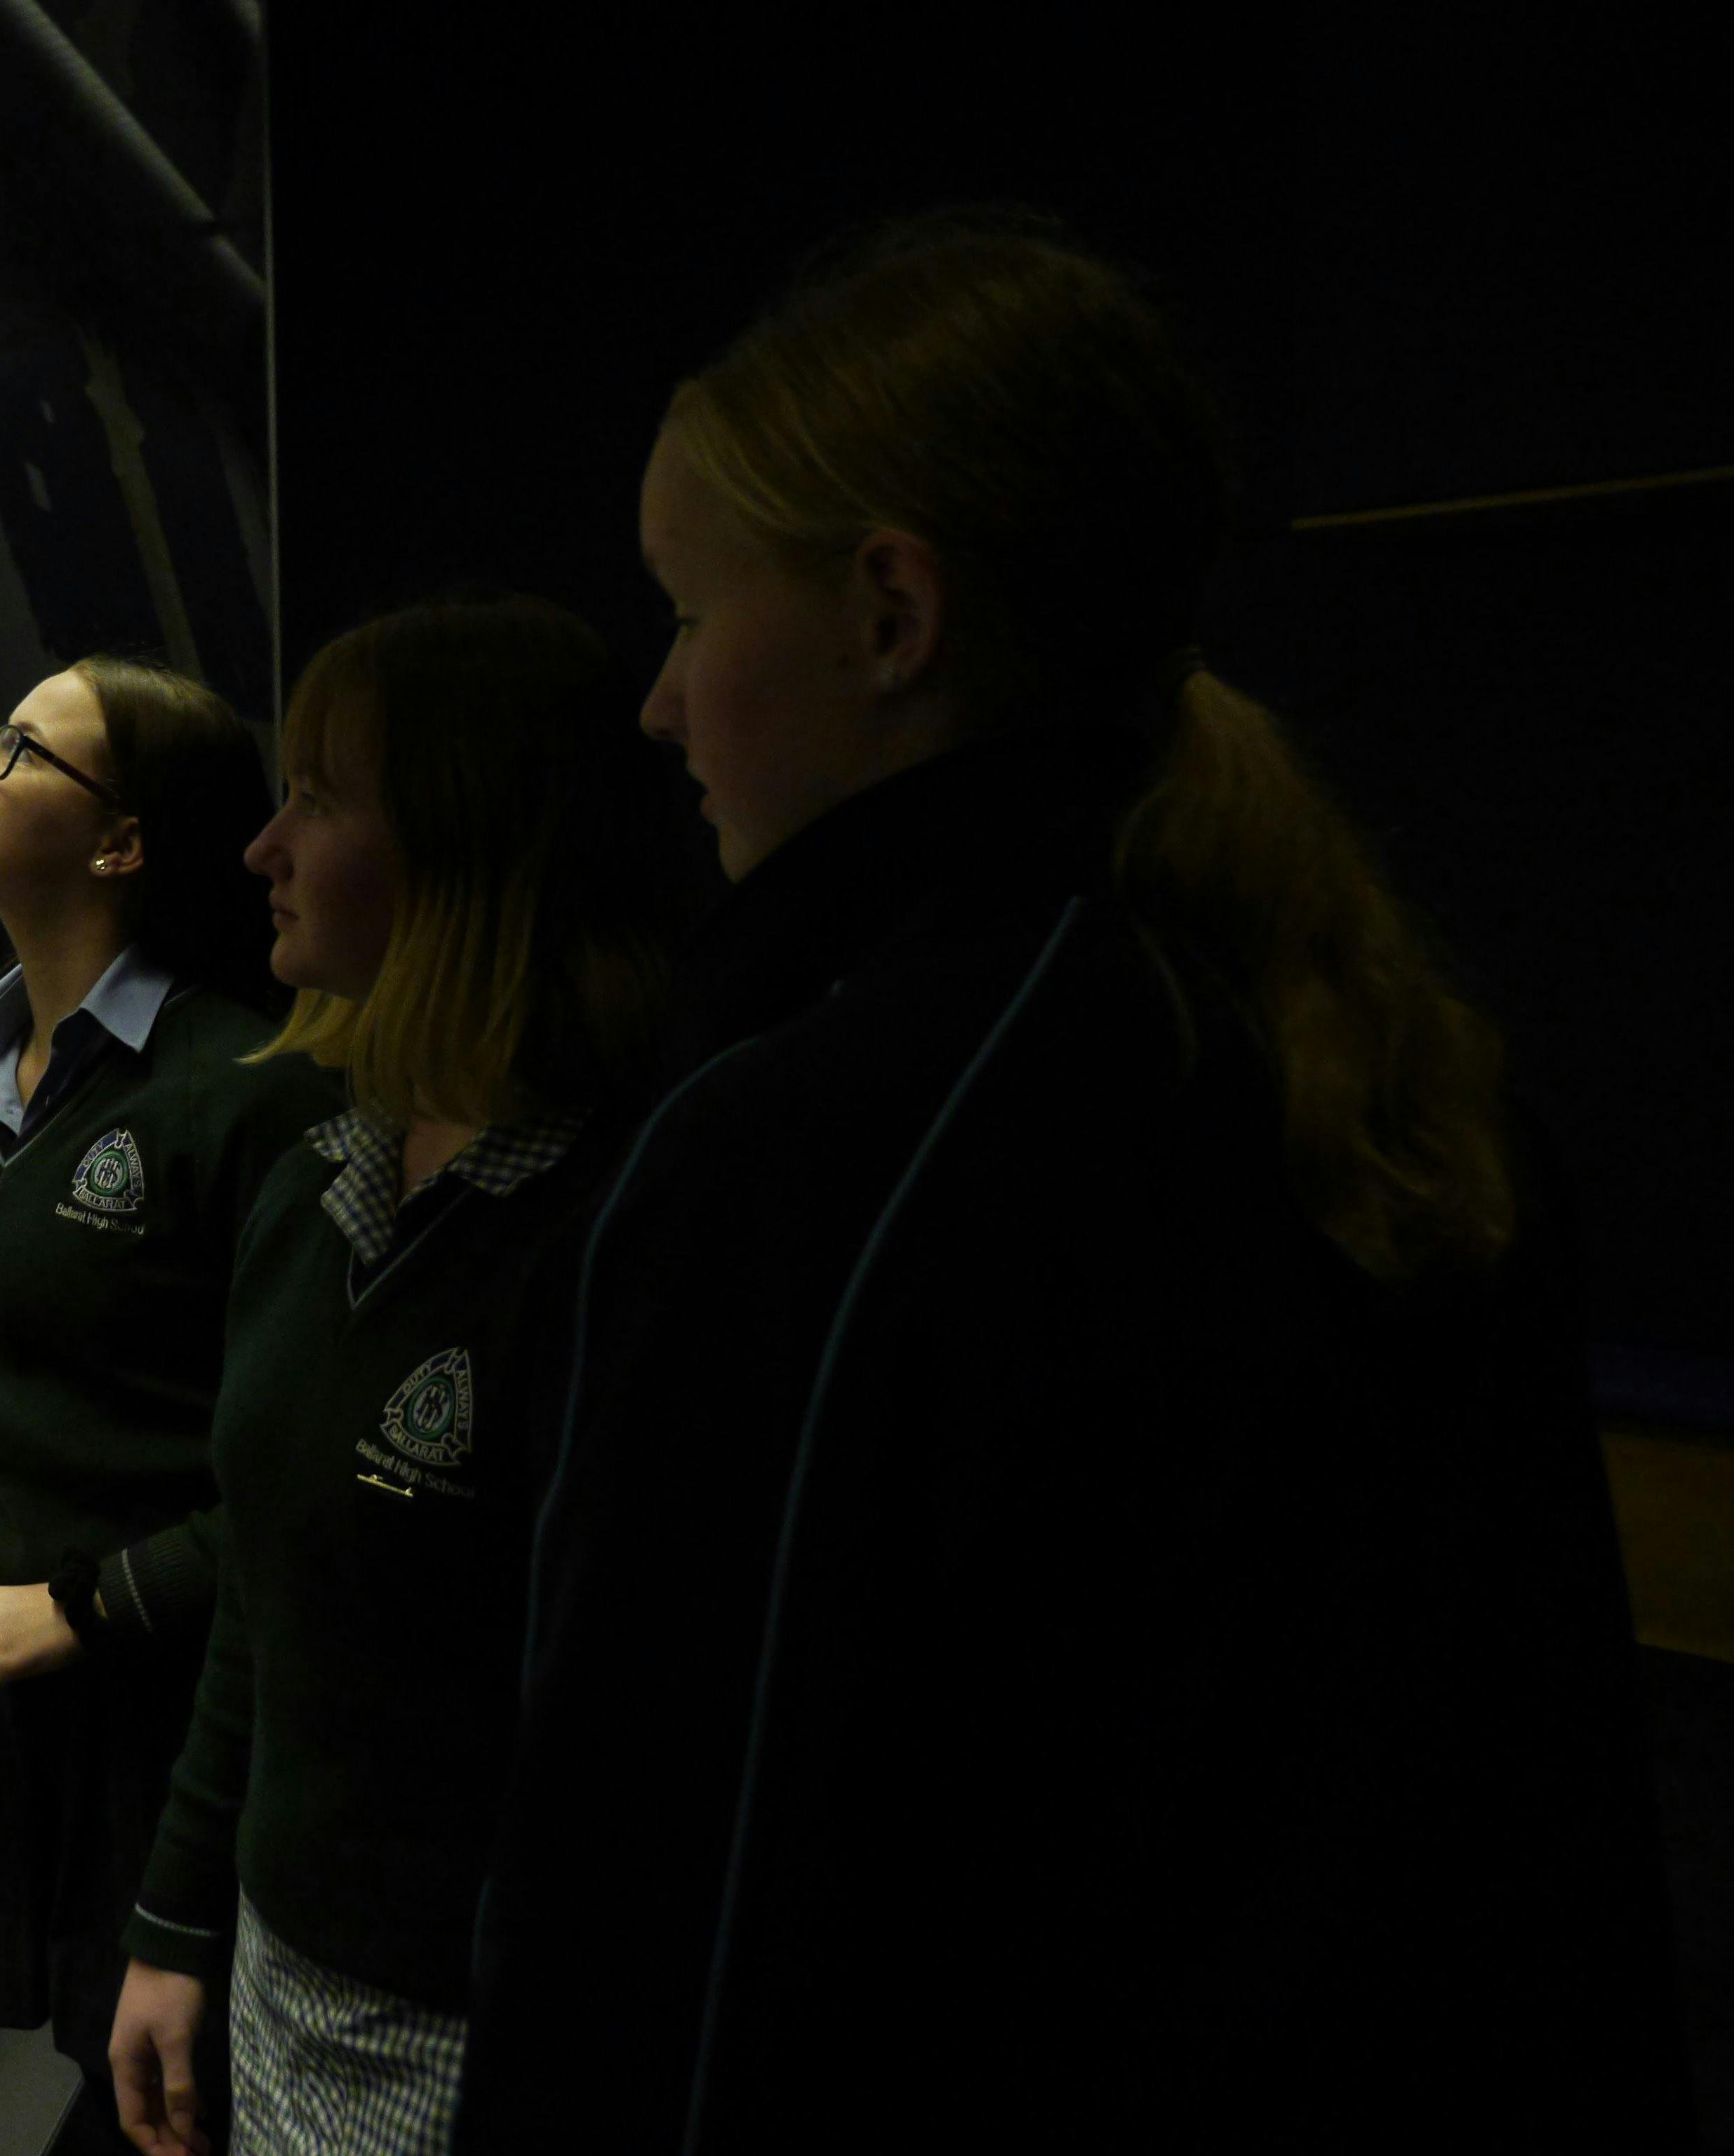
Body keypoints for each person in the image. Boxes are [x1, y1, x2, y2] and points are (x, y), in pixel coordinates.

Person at [458, 208, 1693, 2150]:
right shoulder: (1384, 1073)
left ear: (890, 613)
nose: (660, 702)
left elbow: (661, 1951)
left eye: (690, 614)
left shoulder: (812, 1158)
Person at [105, 596, 677, 2156]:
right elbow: (271, 1600)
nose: (262, 846)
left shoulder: (624, 1234)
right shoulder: (316, 1180)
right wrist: (177, 1921)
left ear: (465, 849)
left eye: (322, 795)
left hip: (493, 2041)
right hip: (286, 1982)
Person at [0, 656, 338, 2152]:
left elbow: (313, 1485)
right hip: (39, 1715)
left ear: (123, 843)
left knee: (175, 2106)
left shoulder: (251, 1093)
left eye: (19, 748)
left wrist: (84, 1608)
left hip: (191, 1715)